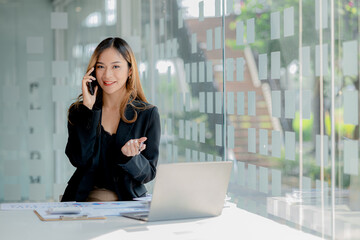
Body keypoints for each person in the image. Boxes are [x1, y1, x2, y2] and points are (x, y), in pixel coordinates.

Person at [61, 37, 161, 202]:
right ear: (92, 71)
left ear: (130, 70)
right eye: (101, 67)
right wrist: (89, 110)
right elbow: (78, 159)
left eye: (116, 66)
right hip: (83, 202)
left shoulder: (147, 114)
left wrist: (131, 157)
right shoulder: (79, 111)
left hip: (126, 205)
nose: (107, 75)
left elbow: (148, 173)